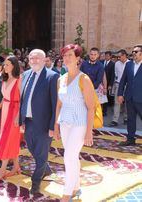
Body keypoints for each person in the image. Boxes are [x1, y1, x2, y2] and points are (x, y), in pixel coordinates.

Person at [53, 44, 95, 202]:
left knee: (68, 156)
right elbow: (59, 104)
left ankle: (67, 193)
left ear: (78, 58)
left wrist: (89, 132)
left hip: (79, 123)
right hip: (64, 122)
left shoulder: (84, 79)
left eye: (70, 55)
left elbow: (91, 108)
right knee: (72, 157)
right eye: (64, 55)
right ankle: (76, 187)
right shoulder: (61, 79)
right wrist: (56, 125)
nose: (66, 58)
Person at [20, 49, 59, 194]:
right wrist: (21, 120)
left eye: (37, 58)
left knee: (41, 154)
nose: (34, 60)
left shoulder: (52, 76)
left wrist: (52, 126)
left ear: (44, 60)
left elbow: (55, 104)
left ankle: (35, 183)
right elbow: (22, 100)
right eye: (31, 58)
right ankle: (46, 169)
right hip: (28, 122)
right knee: (32, 149)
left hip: (44, 124)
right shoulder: (25, 75)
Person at [0, 56, 21, 179]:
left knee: (6, 139)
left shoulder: (19, 80)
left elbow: (22, 100)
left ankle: (3, 169)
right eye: (4, 65)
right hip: (5, 111)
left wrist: (18, 117)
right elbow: (5, 97)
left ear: (14, 66)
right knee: (10, 139)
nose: (5, 67)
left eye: (7, 65)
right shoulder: (5, 79)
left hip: (14, 113)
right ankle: (16, 167)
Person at [117, 45, 142, 146]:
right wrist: (120, 94)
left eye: (136, 52)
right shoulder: (129, 65)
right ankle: (130, 139)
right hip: (130, 97)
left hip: (140, 98)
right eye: (133, 52)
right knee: (131, 119)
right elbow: (123, 80)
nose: (133, 53)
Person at [109, 49, 129, 126]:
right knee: (117, 102)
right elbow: (115, 75)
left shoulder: (130, 63)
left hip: (127, 86)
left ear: (124, 55)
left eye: (119, 56)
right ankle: (115, 120)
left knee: (127, 103)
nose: (118, 58)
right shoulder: (117, 64)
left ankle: (126, 118)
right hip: (118, 85)